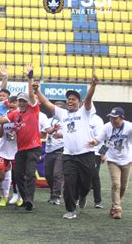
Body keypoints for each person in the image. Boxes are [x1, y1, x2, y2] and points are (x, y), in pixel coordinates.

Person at [36, 73, 99, 219]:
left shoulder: (85, 112)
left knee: (85, 183)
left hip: (86, 155)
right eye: (68, 99)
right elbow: (47, 104)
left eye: (73, 99)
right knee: (69, 184)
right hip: (69, 156)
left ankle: (82, 196)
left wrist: (93, 85)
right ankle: (70, 210)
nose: (70, 101)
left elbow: (88, 99)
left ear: (79, 102)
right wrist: (37, 91)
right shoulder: (63, 114)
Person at [0, 63, 41, 211]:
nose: (22, 103)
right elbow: (1, 121)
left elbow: (31, 95)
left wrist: (30, 78)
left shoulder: (33, 110)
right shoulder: (15, 114)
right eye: (20, 101)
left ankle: (28, 200)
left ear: (28, 103)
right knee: (17, 174)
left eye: (24, 101)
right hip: (20, 150)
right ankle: (23, 197)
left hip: (33, 147)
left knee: (29, 174)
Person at [89, 107, 131, 219]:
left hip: (127, 159)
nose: (112, 120)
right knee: (116, 184)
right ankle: (117, 209)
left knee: (123, 187)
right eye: (111, 118)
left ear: (122, 118)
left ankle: (114, 205)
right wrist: (94, 142)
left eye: (115, 118)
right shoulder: (107, 127)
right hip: (113, 159)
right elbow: (101, 140)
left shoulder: (129, 127)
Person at [0, 96, 19, 207]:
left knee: (17, 175)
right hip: (2, 150)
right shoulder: (3, 117)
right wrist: (1, 125)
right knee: (0, 175)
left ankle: (18, 196)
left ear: (18, 104)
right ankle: (4, 196)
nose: (12, 104)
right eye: (10, 102)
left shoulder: (21, 117)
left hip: (16, 151)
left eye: (14, 102)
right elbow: (0, 135)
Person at [43, 101, 67, 205]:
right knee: (48, 174)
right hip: (49, 150)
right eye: (54, 109)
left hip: (60, 150)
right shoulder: (48, 120)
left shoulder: (66, 121)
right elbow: (44, 131)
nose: (54, 111)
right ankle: (53, 192)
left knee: (57, 174)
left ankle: (56, 196)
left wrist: (61, 135)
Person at [90, 113, 105, 208]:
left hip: (95, 153)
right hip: (80, 152)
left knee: (94, 176)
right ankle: (79, 197)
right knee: (79, 176)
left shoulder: (97, 120)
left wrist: (103, 153)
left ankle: (98, 201)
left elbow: (103, 138)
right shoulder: (77, 116)